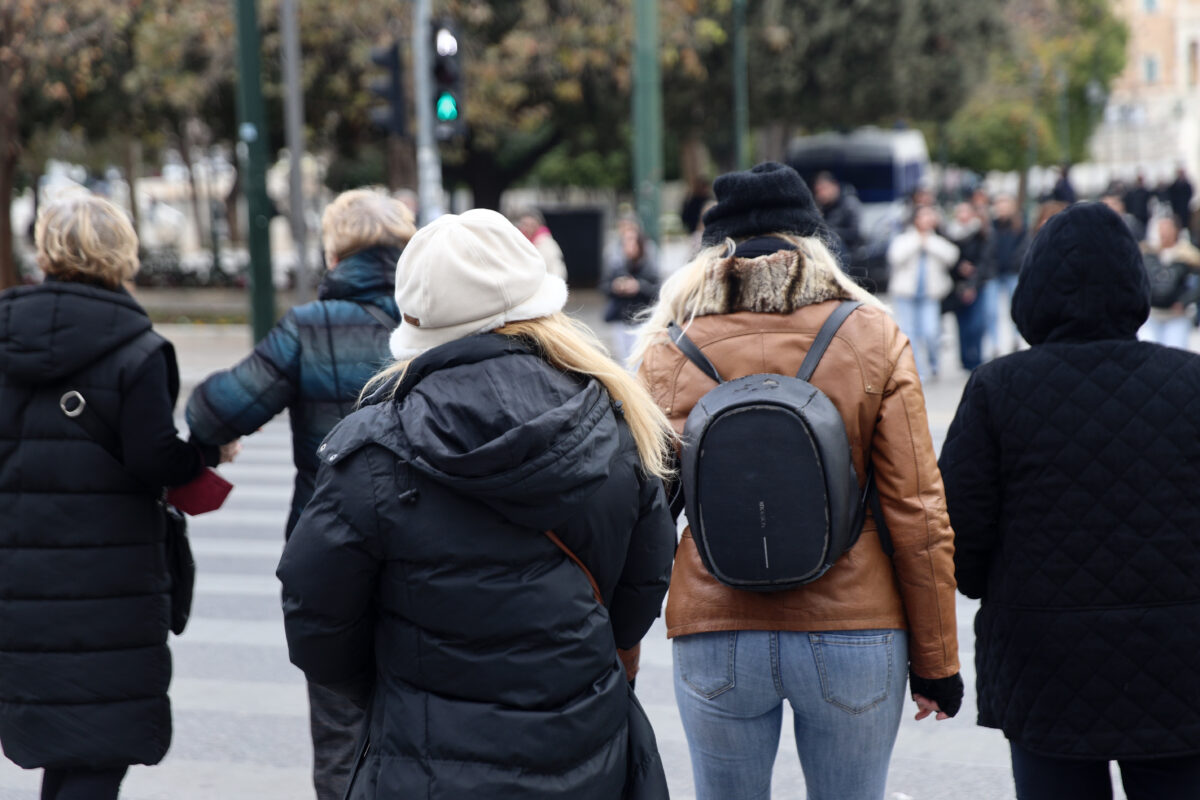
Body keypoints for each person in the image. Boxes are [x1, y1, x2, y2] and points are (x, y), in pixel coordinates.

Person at [277, 208, 677, 799]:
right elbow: (639, 589)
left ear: (415, 317)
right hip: (585, 748)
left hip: (426, 766)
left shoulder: (372, 449)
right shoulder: (618, 424)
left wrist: (400, 689)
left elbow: (316, 621)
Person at [634, 162, 962, 800]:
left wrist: (621, 654)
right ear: (814, 244)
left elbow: (640, 518)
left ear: (711, 255)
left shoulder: (669, 349)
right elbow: (918, 514)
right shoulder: (872, 335)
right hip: (856, 629)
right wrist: (938, 662)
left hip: (715, 629)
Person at [941, 202, 1200, 800]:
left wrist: (995, 583)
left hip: (1045, 659)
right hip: (1180, 659)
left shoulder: (997, 389)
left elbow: (959, 530)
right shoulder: (1189, 380)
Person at [0, 194, 237, 799]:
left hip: (16, 566)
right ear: (122, 254)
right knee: (95, 739)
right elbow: (154, 457)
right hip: (105, 576)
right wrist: (209, 453)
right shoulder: (138, 351)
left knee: (46, 725)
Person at [185, 188, 414, 800]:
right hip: (432, 554)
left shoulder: (310, 329)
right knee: (425, 725)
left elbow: (214, 412)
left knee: (341, 732)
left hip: (333, 557)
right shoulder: (431, 321)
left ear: (334, 252)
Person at [887, 204, 959, 380]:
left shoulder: (937, 239)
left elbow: (952, 256)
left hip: (930, 295)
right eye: (923, 216)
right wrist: (918, 242)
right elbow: (894, 257)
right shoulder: (904, 238)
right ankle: (920, 370)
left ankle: (934, 363)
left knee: (931, 331)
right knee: (909, 332)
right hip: (906, 294)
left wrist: (929, 242)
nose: (927, 220)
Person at [602, 215, 660, 362]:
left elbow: (658, 290)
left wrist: (638, 286)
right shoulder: (616, 262)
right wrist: (616, 286)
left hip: (642, 317)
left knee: (639, 359)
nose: (628, 245)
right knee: (623, 360)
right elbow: (603, 286)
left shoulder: (649, 263)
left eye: (632, 241)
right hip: (620, 318)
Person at [1139, 215, 1200, 349]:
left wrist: (1184, 301)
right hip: (1153, 314)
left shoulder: (1188, 256)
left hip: (1176, 316)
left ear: (1176, 230)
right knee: (1147, 349)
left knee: (1175, 350)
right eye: (1162, 229)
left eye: (1168, 229)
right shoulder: (1149, 255)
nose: (1164, 232)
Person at [945, 201, 990, 371]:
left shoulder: (981, 232)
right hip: (957, 285)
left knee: (977, 323)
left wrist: (973, 284)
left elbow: (985, 260)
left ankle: (976, 357)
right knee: (962, 324)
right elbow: (949, 260)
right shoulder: (950, 234)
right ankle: (965, 359)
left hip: (978, 284)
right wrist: (959, 267)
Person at [813, 170, 863, 260]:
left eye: (824, 189)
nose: (821, 194)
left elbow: (855, 234)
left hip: (849, 255)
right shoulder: (822, 207)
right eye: (818, 191)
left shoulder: (849, 204)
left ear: (834, 186)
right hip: (829, 255)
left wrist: (828, 232)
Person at [513, 207, 568, 281]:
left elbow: (557, 270)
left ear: (538, 226)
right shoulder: (515, 242)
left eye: (532, 225)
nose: (527, 228)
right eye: (525, 224)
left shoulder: (547, 244)